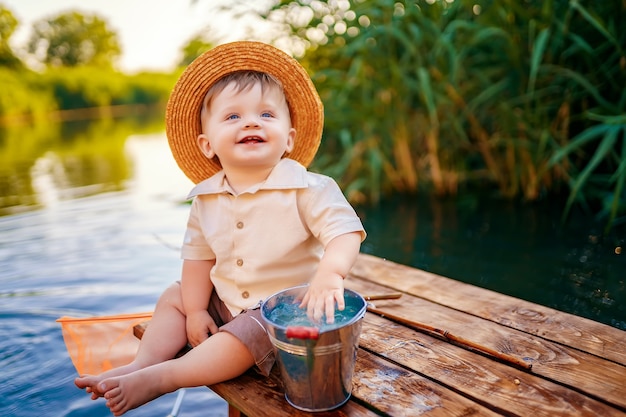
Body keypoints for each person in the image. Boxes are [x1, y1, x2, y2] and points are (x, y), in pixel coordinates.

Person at [74, 41, 366, 416]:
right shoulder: (206, 198)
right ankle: (141, 364)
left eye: (266, 114)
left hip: (282, 314)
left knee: (244, 336)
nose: (250, 122)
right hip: (227, 299)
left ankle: (165, 378)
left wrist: (331, 272)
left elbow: (344, 231)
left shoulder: (309, 188)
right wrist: (196, 311)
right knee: (175, 295)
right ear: (207, 144)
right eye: (232, 117)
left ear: (289, 138)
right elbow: (198, 259)